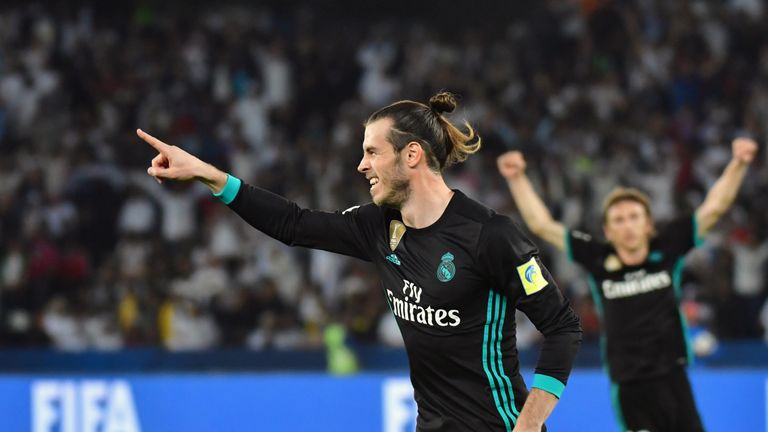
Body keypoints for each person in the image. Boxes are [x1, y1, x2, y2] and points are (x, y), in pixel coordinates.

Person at [138, 92, 582, 432]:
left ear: (411, 156)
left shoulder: (491, 235)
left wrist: (527, 428)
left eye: (372, 152)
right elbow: (294, 224)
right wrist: (210, 175)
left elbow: (563, 327)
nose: (360, 165)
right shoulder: (377, 226)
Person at [497, 137, 758, 432]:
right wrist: (516, 178)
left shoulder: (668, 245)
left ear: (648, 224)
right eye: (618, 220)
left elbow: (713, 209)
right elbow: (543, 225)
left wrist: (738, 163)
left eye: (634, 217)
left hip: (673, 376)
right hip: (628, 384)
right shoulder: (597, 256)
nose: (628, 225)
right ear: (608, 231)